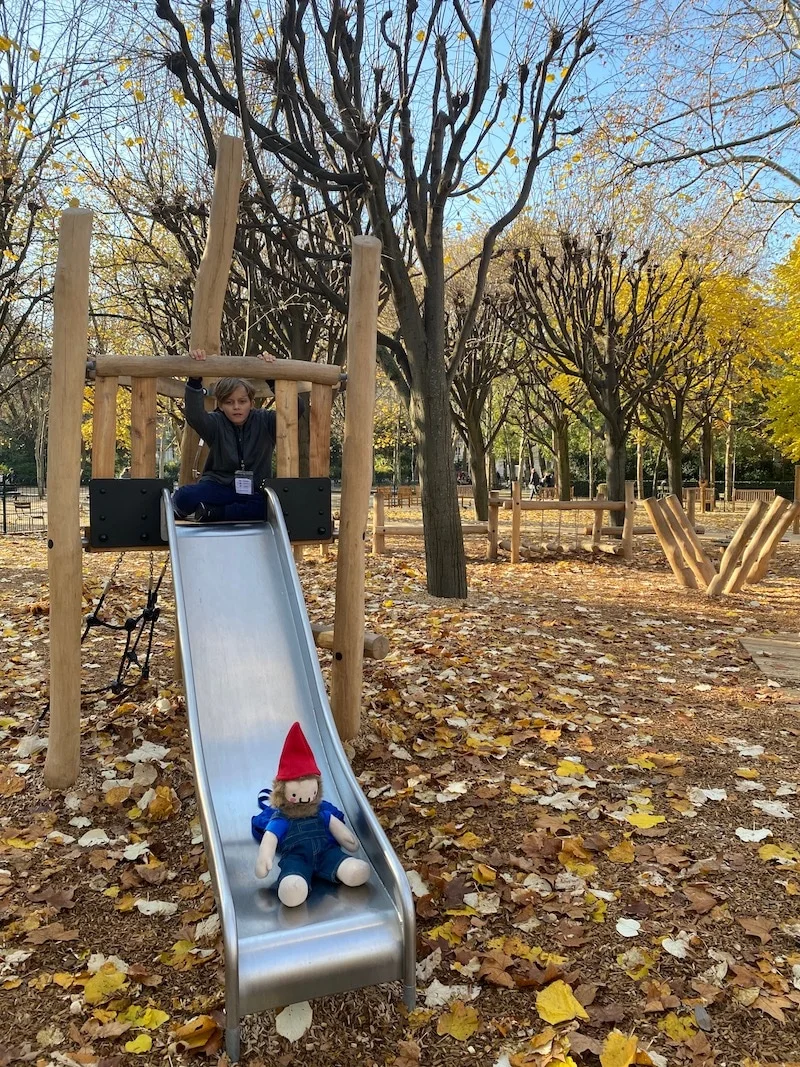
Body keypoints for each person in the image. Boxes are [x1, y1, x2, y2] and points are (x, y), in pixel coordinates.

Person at [172, 349, 303, 522]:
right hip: (220, 486)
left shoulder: (266, 421)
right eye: (229, 402)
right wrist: (195, 381)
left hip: (255, 489)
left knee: (275, 505)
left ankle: (214, 513)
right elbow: (195, 416)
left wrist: (272, 378)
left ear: (251, 402)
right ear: (220, 405)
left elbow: (295, 410)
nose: (236, 407)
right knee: (184, 495)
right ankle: (212, 510)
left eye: (242, 401)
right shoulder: (216, 423)